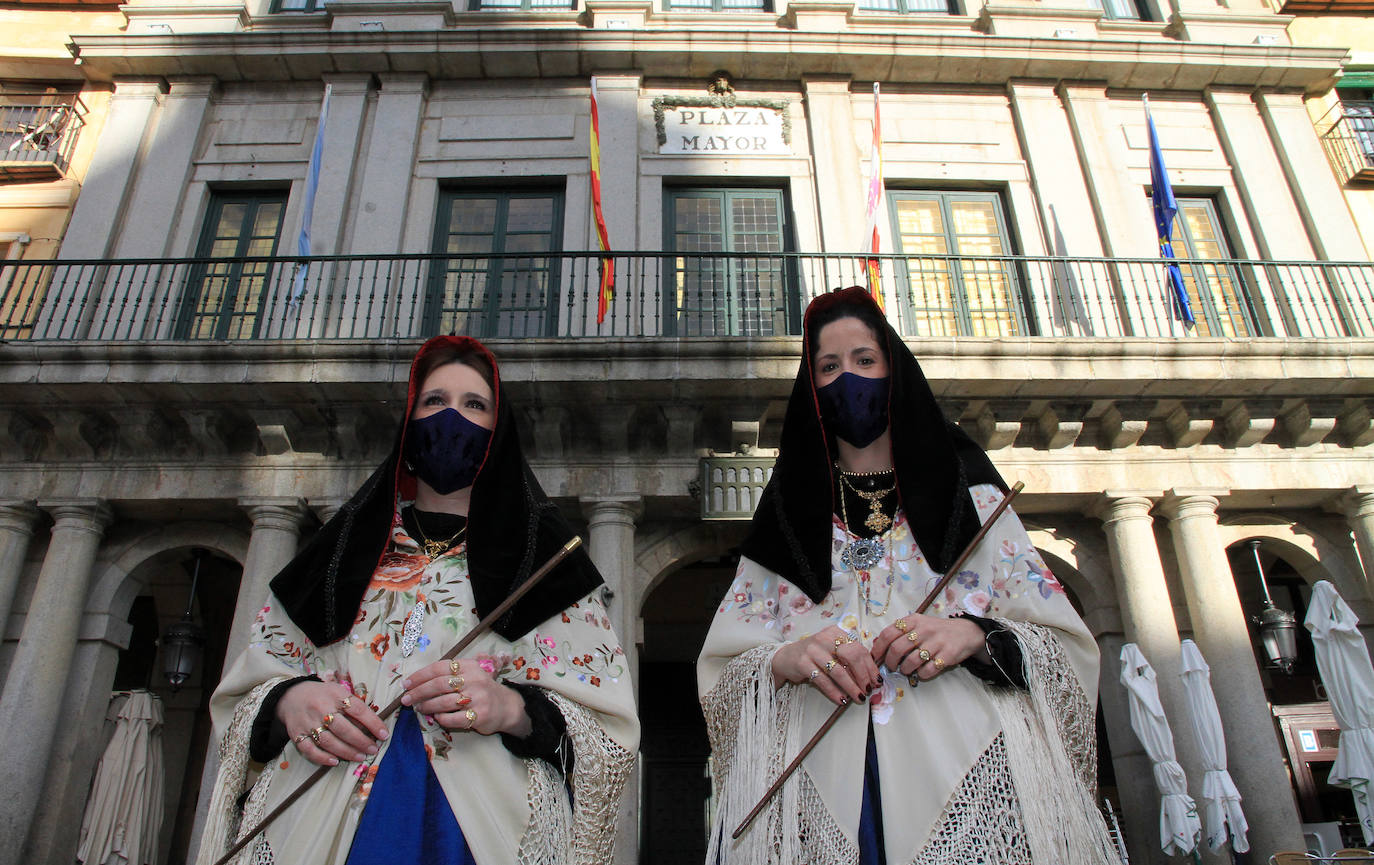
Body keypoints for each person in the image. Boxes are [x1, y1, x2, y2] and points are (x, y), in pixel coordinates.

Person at [697, 287, 1120, 865]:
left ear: (893, 370)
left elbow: (1068, 649)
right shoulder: (786, 517)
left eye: (864, 360)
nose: (848, 377)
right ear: (812, 390)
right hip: (814, 795)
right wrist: (787, 659)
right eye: (828, 366)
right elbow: (722, 671)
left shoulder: (973, 500)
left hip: (973, 784)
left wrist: (976, 636)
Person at [199, 335, 639, 865]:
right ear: (409, 420)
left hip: (485, 828)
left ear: (499, 432)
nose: (452, 417)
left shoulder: (542, 564)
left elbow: (609, 734)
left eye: (474, 405)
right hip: (322, 819)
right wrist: (290, 701)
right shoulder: (338, 553)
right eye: (435, 401)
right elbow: (245, 693)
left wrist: (511, 708)